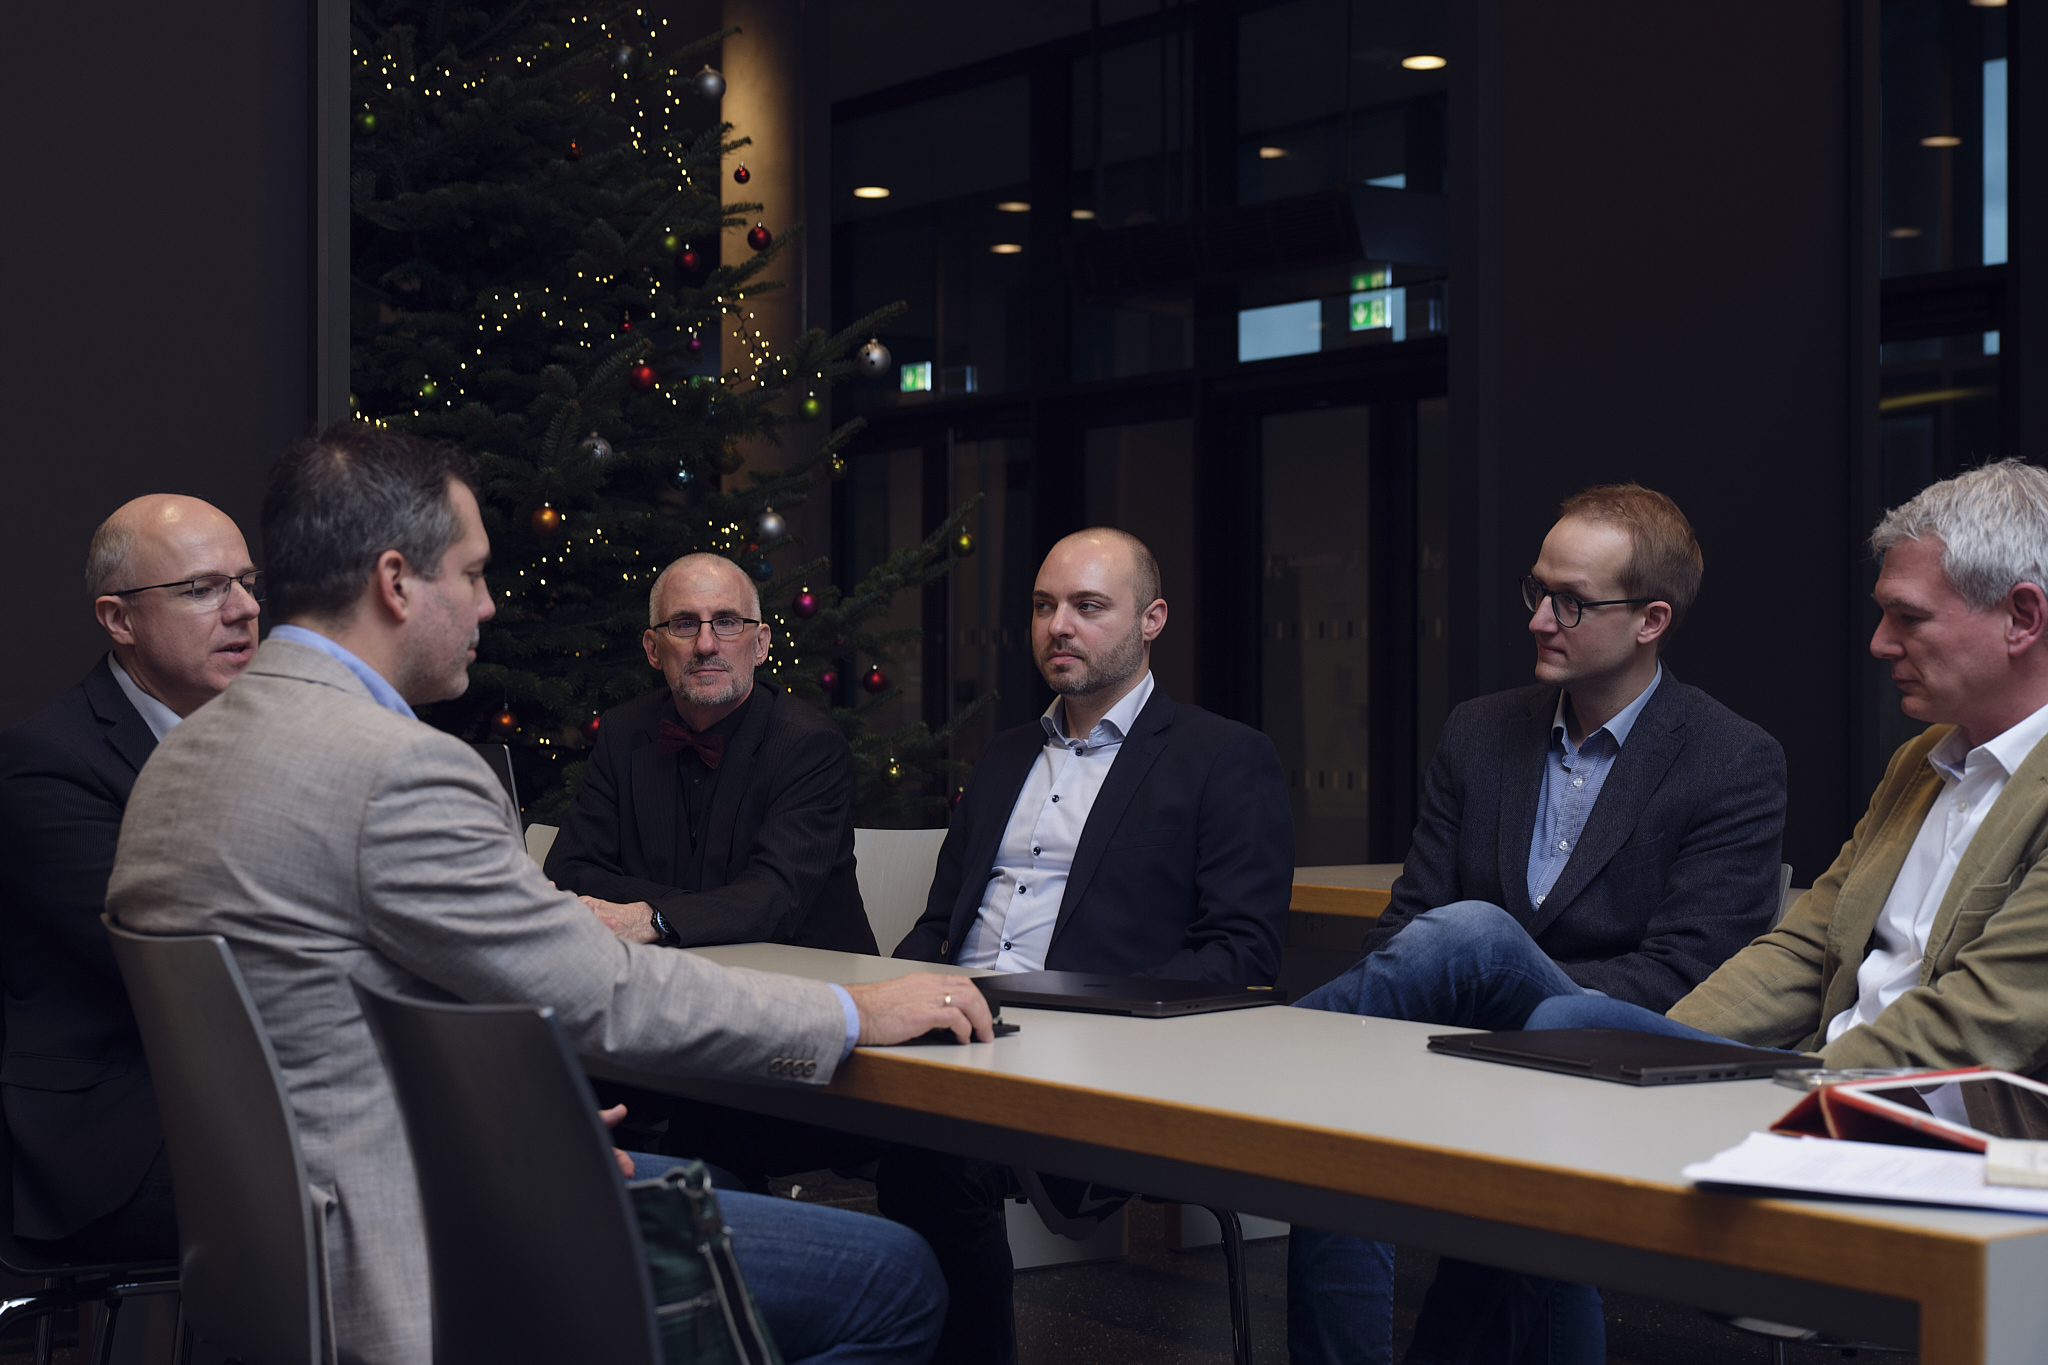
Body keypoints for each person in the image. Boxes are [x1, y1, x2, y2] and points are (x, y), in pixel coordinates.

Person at [106, 423, 994, 1365]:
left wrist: (523, 1126)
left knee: (719, 1182)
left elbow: (323, 1019)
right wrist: (854, 1012)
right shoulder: (399, 769)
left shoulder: (175, 763)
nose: (489, 604)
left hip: (271, 1247)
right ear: (396, 582)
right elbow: (604, 992)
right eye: (473, 573)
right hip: (415, 1244)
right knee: (898, 1276)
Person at [1286, 484, 1789, 1365]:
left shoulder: (1731, 758)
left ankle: (1272, 1058)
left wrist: (1506, 1020)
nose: (1539, 620)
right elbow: (1407, 922)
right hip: (1473, 1055)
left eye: (1572, 602)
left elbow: (1691, 977)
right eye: (1537, 591)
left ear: (1652, 620)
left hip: (1623, 1057)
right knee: (1343, 1125)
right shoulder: (1480, 732)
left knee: (1477, 936)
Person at [888, 526, 1295, 1364]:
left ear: (1152, 619)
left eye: (1087, 606)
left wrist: (1077, 1018)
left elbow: (1241, 954)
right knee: (786, 1102)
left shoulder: (1224, 757)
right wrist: (888, 991)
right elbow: (939, 923)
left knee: (933, 1153)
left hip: (1096, 1053)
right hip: (953, 1030)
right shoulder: (1004, 757)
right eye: (1044, 606)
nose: (1059, 626)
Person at [0, 494, 260, 1263]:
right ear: (119, 619)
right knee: (388, 1172)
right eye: (204, 588)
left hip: (248, 1087)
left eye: (247, 582)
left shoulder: (267, 734)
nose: (245, 609)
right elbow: (186, 961)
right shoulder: (48, 764)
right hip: (117, 1133)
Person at [547, 552, 873, 953]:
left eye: (727, 622)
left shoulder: (809, 744)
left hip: (808, 975)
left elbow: (774, 898)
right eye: (684, 624)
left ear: (761, 644)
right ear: (653, 649)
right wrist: (706, 909)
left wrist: (654, 917)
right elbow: (569, 869)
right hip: (669, 972)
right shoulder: (623, 732)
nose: (705, 644)